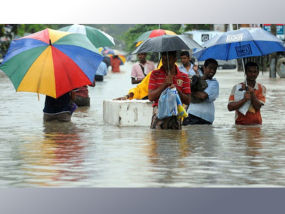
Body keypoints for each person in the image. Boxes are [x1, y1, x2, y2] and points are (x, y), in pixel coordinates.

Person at [148, 51, 191, 130]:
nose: (165, 62)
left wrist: (177, 90)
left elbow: (188, 100)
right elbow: (151, 97)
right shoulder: (154, 74)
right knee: (157, 138)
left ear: (175, 60)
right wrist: (164, 84)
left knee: (175, 138)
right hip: (159, 110)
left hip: (175, 112)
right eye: (163, 60)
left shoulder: (184, 77)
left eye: (169, 59)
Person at [183, 58, 219, 125]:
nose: (212, 71)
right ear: (204, 68)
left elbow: (203, 96)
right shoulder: (196, 79)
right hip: (192, 115)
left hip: (205, 118)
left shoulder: (214, 83)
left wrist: (190, 91)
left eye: (215, 69)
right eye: (210, 68)